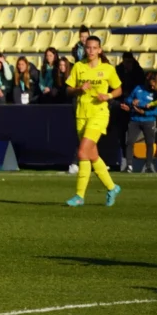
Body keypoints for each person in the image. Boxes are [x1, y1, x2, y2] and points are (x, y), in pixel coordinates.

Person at [65, 36, 123, 206]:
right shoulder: (78, 67)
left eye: (94, 48)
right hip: (81, 114)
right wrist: (78, 89)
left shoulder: (107, 69)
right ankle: (112, 187)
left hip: (99, 114)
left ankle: (79, 196)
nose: (90, 51)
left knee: (82, 152)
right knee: (93, 155)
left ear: (100, 50)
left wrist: (108, 96)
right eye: (88, 47)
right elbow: (68, 90)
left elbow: (118, 88)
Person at [120, 78, 157, 173]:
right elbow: (128, 99)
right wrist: (132, 102)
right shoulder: (138, 88)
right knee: (130, 141)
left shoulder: (156, 93)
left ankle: (148, 166)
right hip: (134, 120)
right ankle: (129, 166)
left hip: (148, 121)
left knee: (149, 143)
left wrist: (144, 112)